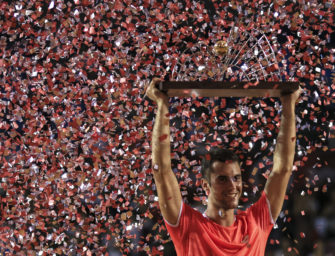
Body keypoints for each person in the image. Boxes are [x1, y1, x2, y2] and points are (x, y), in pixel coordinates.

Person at [145, 78, 301, 256]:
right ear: (205, 185)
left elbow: (282, 170)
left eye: (236, 178)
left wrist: (289, 106)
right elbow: (161, 170)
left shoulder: (257, 222)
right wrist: (162, 104)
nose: (233, 186)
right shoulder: (188, 225)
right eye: (222, 179)